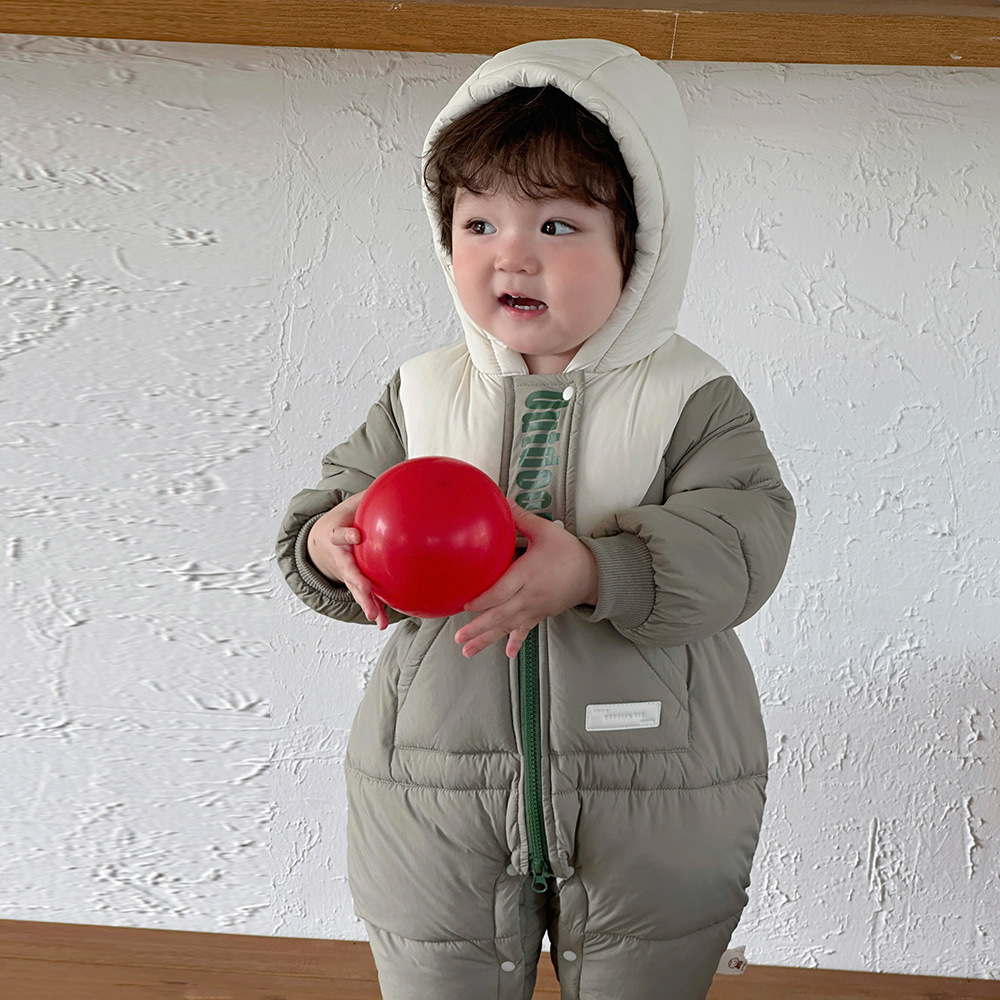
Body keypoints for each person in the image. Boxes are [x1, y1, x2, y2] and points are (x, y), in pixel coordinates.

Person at [275, 38, 796, 1000]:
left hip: (660, 779)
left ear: (641, 243)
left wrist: (599, 571)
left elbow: (746, 539)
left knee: (647, 970)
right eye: (478, 222)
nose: (511, 254)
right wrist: (326, 546)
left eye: (557, 224)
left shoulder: (692, 397)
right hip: (432, 779)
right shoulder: (420, 394)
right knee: (439, 972)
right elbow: (324, 514)